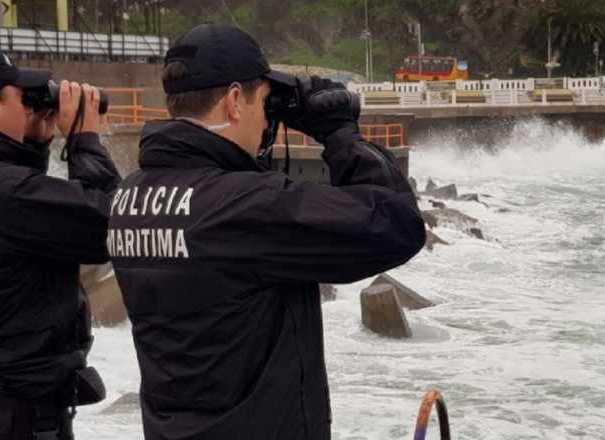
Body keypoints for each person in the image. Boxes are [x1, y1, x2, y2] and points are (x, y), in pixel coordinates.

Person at [108, 24, 425, 440]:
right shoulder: (243, 205)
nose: (266, 121)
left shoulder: (129, 197)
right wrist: (339, 134)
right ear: (234, 101)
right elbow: (397, 224)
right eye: (263, 103)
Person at [0, 45, 119, 439]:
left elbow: (17, 223)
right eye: (20, 96)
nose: (30, 106)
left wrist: (32, 147)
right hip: (5, 409)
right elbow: (113, 226)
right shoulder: (0, 192)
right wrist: (84, 141)